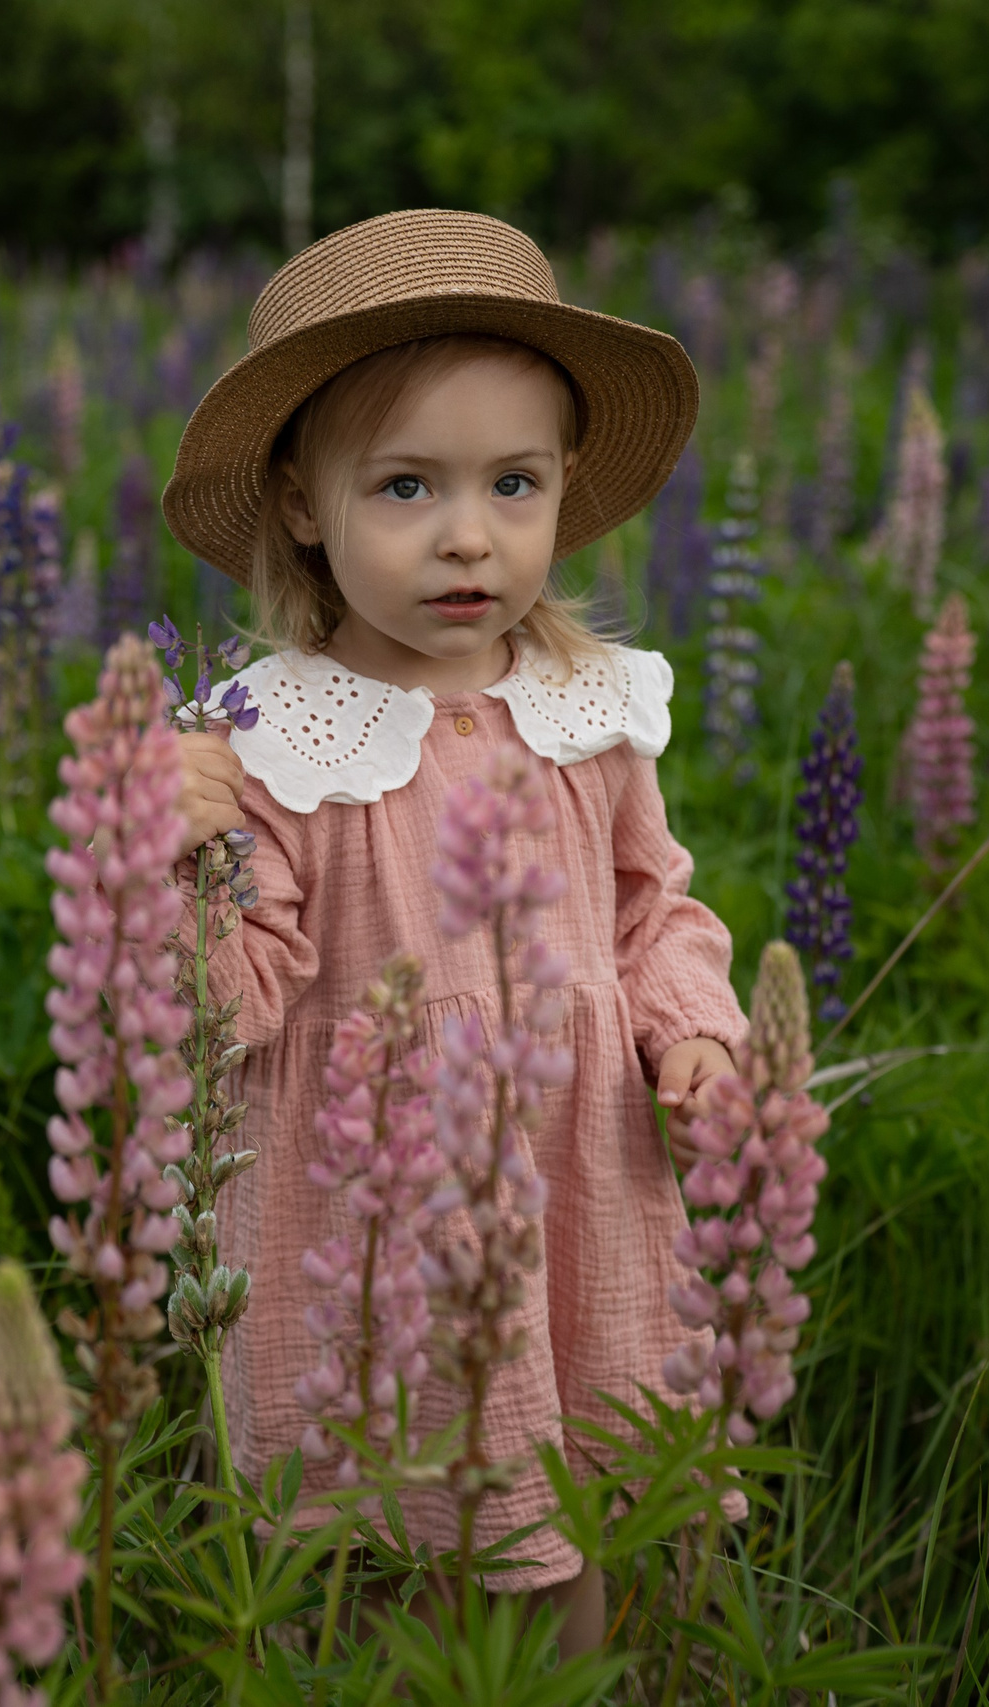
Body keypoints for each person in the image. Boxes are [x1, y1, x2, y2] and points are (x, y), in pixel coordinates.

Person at [158, 209, 745, 1646]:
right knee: (360, 1545)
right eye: (407, 485)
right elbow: (225, 1010)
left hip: (573, 1173)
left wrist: (692, 1036)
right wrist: (174, 855)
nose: (469, 535)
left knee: (566, 1515)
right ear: (303, 503)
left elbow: (650, 905)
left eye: (514, 483)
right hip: (364, 1210)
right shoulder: (271, 737)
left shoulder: (587, 709)